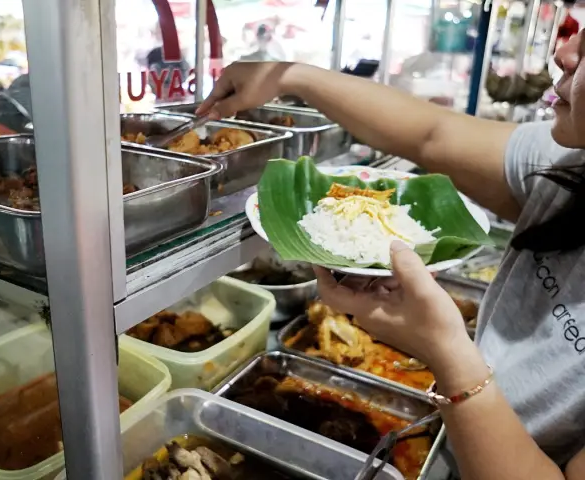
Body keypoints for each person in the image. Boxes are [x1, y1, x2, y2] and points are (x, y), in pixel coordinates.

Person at [197, 29, 585, 480]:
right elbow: (431, 135)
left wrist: (445, 352)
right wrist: (290, 76)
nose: (564, 51)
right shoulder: (568, 163)